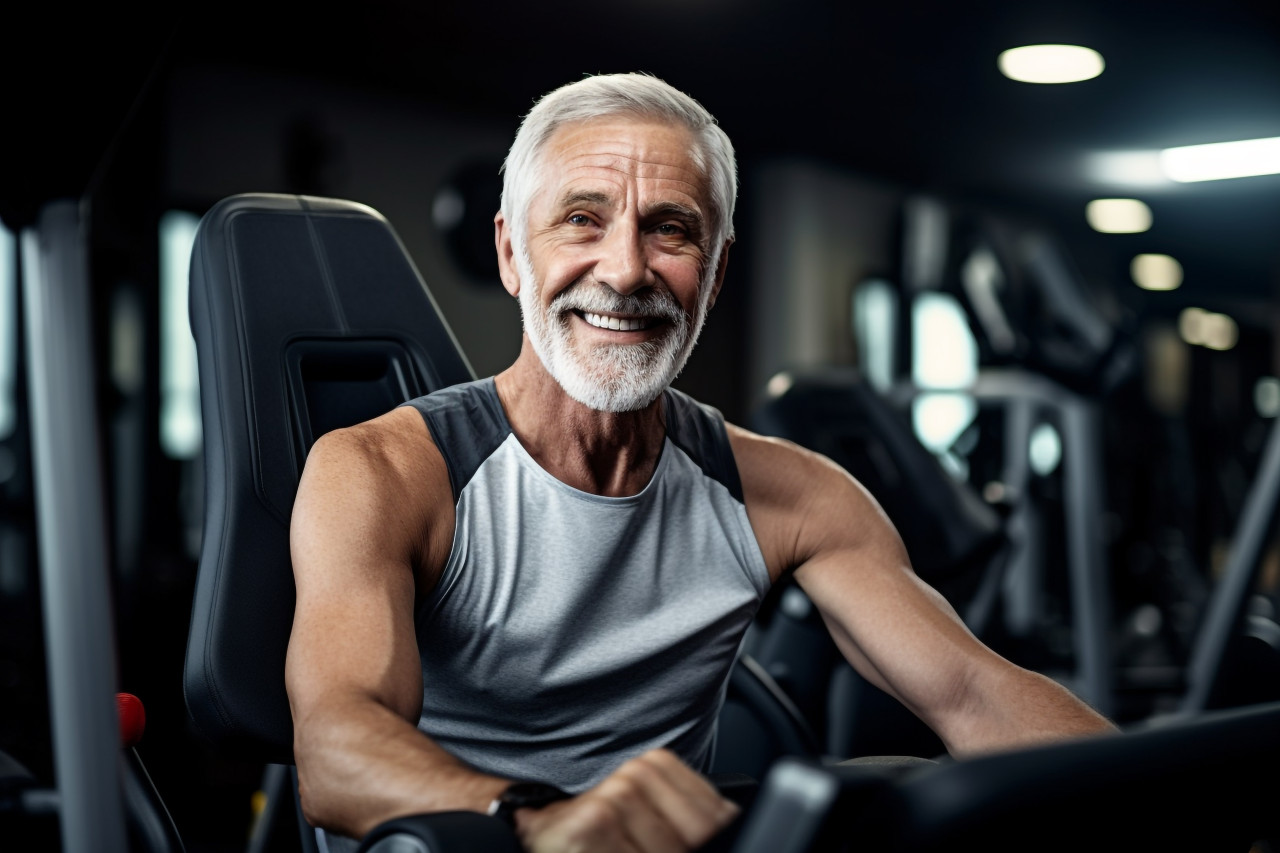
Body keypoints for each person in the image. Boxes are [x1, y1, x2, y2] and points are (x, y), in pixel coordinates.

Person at [284, 72, 1118, 853]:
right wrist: (537, 821)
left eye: (671, 229)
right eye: (583, 218)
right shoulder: (384, 472)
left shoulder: (790, 495)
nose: (626, 270)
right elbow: (335, 746)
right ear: (512, 253)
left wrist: (1170, 795)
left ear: (713, 273)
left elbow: (973, 694)